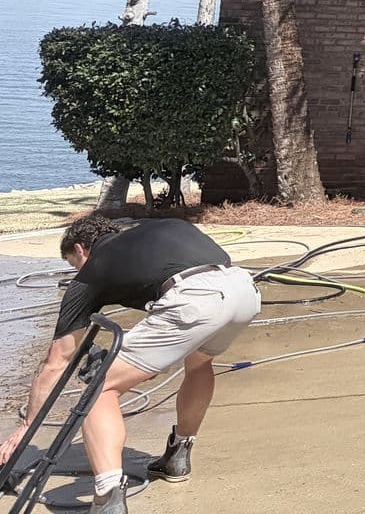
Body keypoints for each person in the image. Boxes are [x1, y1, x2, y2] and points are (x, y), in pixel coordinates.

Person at [0, 212, 260, 511]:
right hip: (242, 289)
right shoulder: (159, 228)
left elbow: (57, 360)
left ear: (82, 249)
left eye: (74, 264)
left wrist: (26, 425)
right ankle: (178, 457)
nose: (76, 272)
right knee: (199, 363)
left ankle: (108, 495)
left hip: (195, 299)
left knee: (99, 390)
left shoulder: (92, 270)